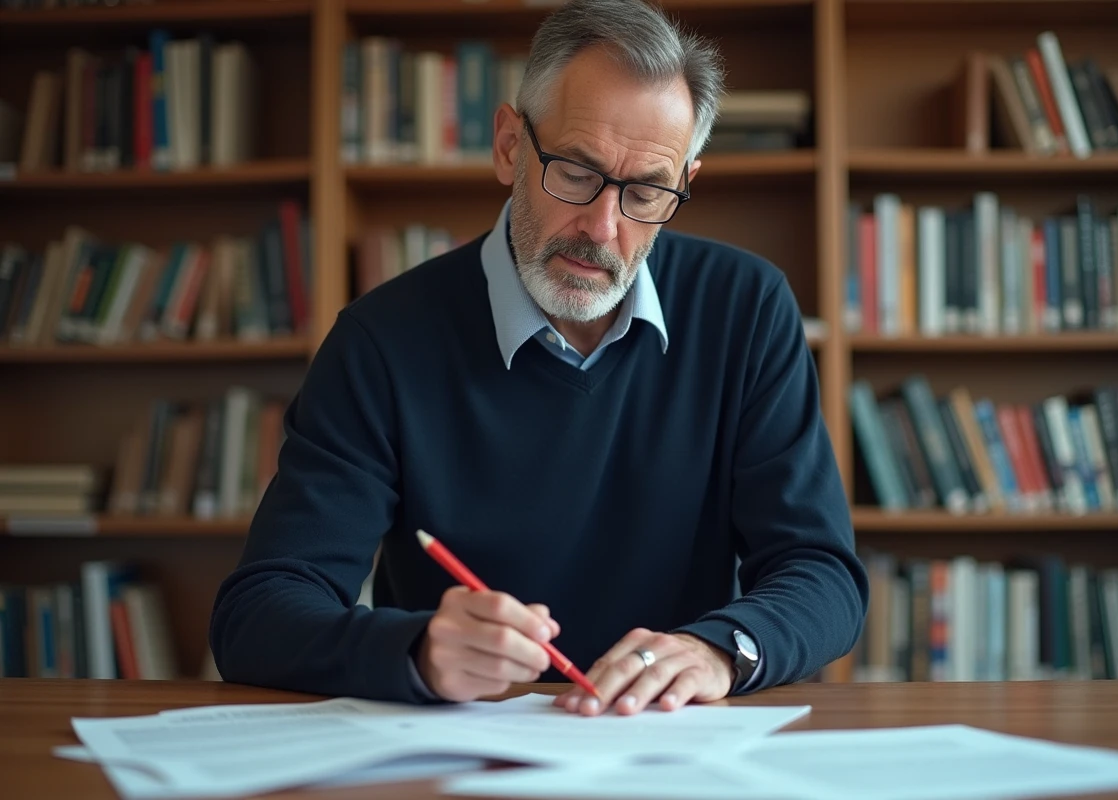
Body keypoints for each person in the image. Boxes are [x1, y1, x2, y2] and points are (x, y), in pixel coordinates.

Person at [210, 0, 868, 717]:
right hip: (460, 759)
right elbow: (259, 613)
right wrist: (417, 651)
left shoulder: (746, 307)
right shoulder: (381, 341)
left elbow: (822, 573)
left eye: (646, 190)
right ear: (509, 147)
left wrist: (720, 650)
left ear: (685, 183)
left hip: (671, 750)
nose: (602, 227)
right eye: (577, 173)